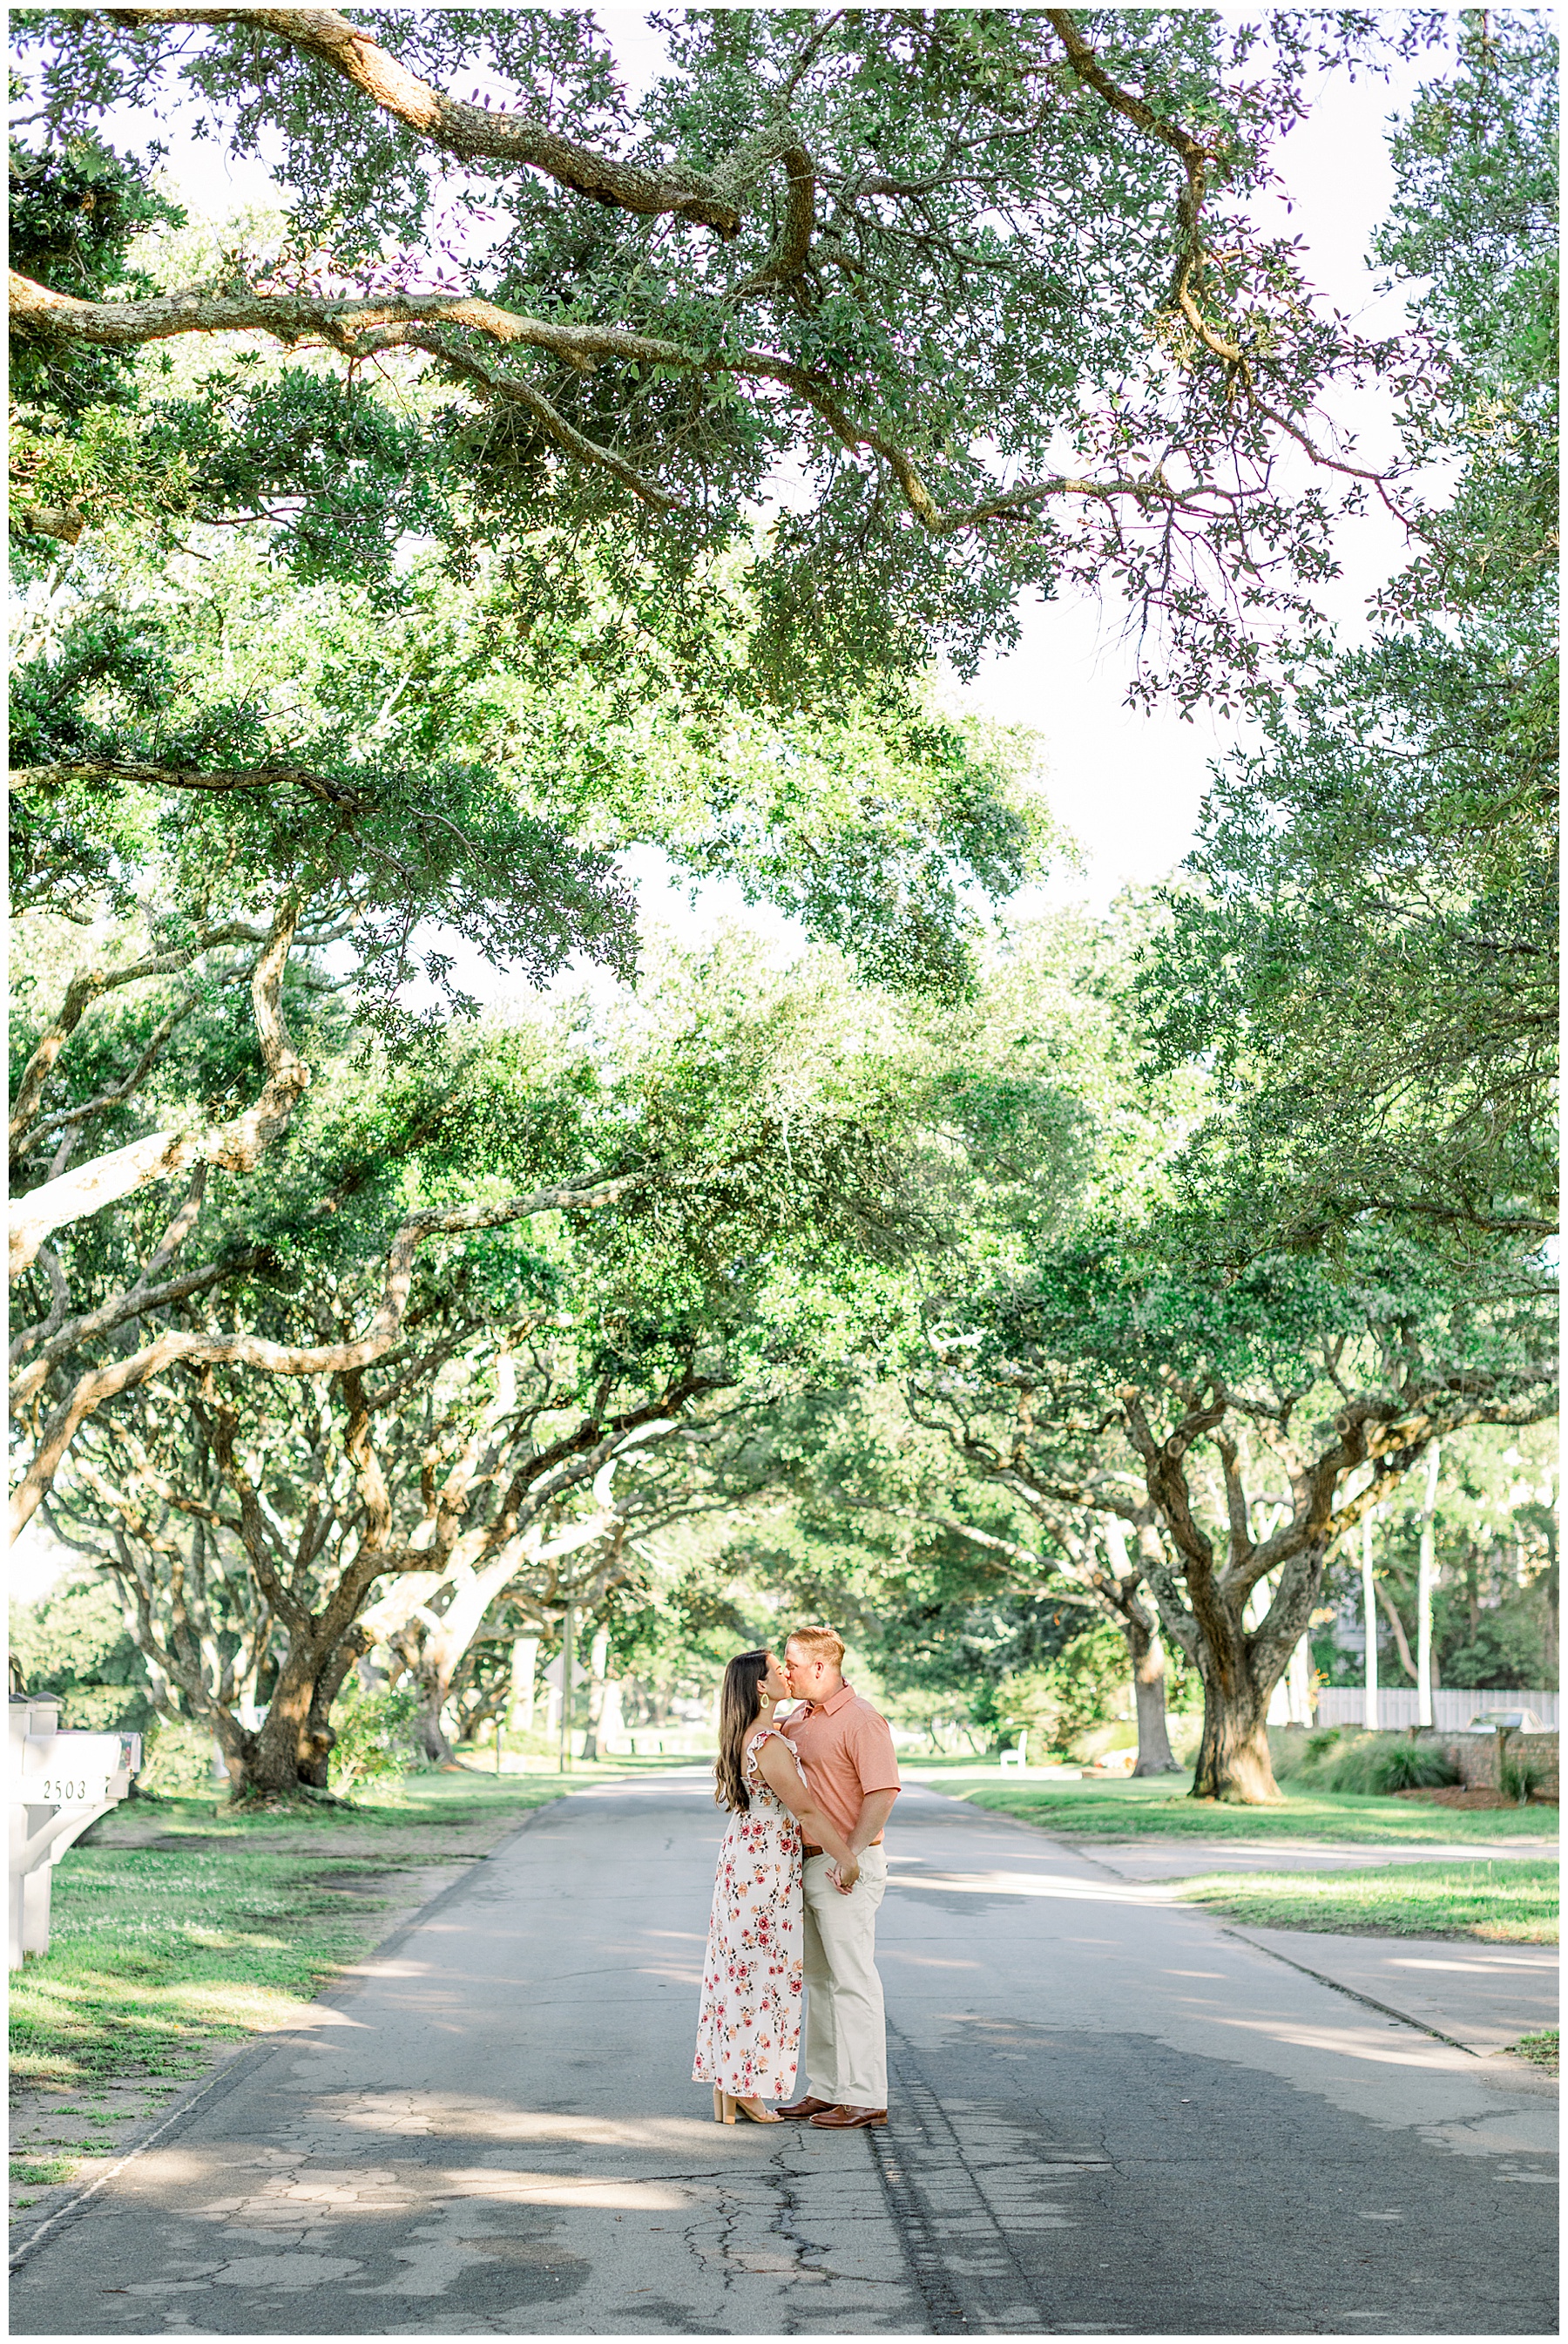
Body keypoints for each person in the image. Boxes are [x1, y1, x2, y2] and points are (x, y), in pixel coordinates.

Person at [692, 1649, 861, 2124]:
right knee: (762, 1976)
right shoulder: (767, 1742)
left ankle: (732, 2085)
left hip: (746, 1856)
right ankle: (746, 2086)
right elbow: (805, 1810)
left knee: (739, 1971)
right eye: (776, 1670)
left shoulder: (752, 1733)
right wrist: (847, 1858)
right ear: (761, 1687)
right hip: (764, 1866)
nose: (787, 1673)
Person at [774, 1624, 901, 2131]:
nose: (785, 1671)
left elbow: (883, 1792)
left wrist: (846, 1854)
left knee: (853, 1981)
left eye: (792, 1664)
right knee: (821, 1982)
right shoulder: (797, 1721)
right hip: (803, 1863)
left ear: (821, 1667)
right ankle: (826, 2089)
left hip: (847, 1865)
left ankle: (867, 2095)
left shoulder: (863, 1720)